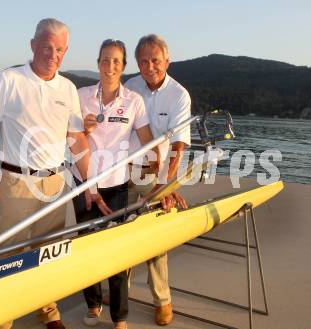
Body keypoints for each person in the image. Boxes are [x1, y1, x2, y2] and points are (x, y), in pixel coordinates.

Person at [0, 18, 108, 329]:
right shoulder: (9, 80)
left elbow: (76, 139)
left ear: (66, 52)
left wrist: (90, 184)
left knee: (47, 251)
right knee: (8, 252)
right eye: (47, 46)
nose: (53, 54)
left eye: (60, 49)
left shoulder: (67, 88)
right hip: (16, 181)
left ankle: (47, 311)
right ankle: (1, 318)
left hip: (54, 182)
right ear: (33, 45)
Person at [71, 39, 159, 329]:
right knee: (86, 249)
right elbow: (69, 135)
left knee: (116, 253)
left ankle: (120, 317)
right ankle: (94, 305)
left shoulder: (133, 101)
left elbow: (147, 139)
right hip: (84, 183)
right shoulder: (80, 95)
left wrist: (161, 164)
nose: (110, 66)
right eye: (105, 60)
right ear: (98, 63)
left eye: (116, 62)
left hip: (117, 185)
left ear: (123, 67)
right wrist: (84, 127)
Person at [125, 34, 191, 326]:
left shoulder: (178, 95)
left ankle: (162, 300)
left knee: (154, 239)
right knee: (120, 234)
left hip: (157, 174)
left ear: (167, 61)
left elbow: (179, 145)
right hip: (124, 171)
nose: (149, 66)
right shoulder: (130, 87)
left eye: (155, 60)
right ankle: (118, 295)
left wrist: (167, 184)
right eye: (143, 60)